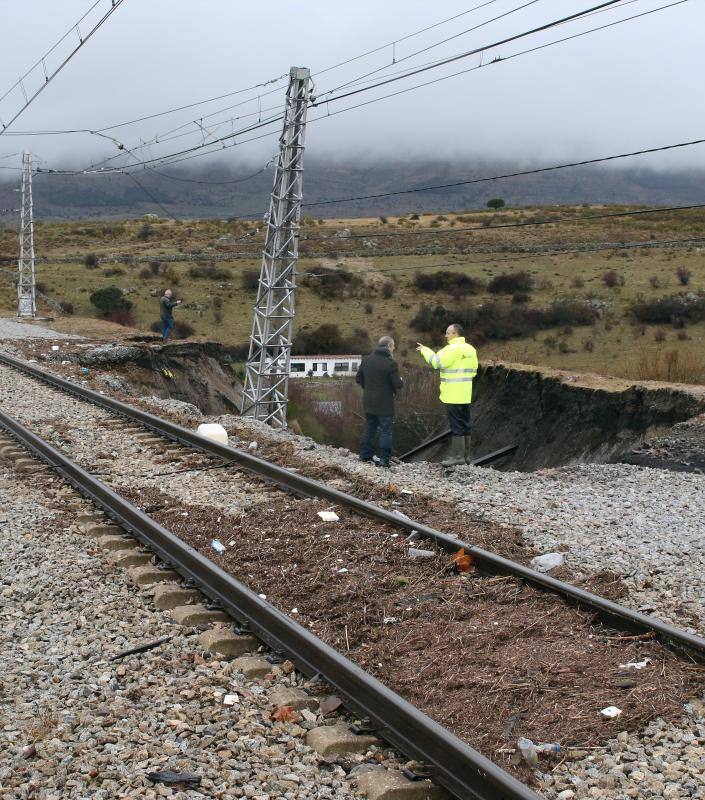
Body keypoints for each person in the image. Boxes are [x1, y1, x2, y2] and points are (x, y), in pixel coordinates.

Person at [416, 323, 478, 467]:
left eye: (448, 333)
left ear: (455, 334)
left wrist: (425, 350)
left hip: (452, 393)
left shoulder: (450, 349)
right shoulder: (471, 349)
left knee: (456, 425)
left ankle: (457, 457)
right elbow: (474, 370)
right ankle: (466, 456)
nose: (446, 335)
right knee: (465, 424)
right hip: (465, 393)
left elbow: (436, 363)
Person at [355, 335, 403, 468]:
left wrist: (369, 388)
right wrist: (401, 381)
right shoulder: (390, 363)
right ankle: (384, 460)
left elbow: (358, 379)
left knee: (370, 428)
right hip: (385, 404)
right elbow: (397, 384)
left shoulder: (366, 360)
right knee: (385, 431)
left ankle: (365, 455)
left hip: (369, 401)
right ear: (389, 346)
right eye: (393, 346)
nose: (393, 349)